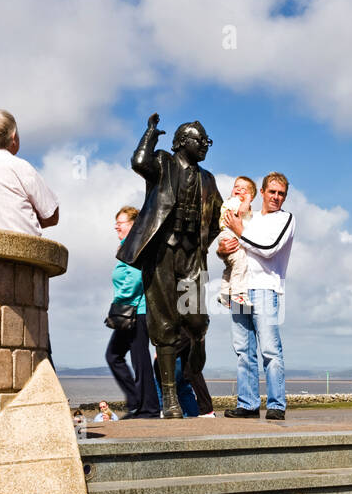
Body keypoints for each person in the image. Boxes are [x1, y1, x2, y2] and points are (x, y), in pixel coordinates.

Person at [117, 113, 222, 419]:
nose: (204, 145)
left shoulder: (207, 179)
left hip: (191, 255)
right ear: (180, 142)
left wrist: (201, 240)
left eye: (206, 141)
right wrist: (150, 134)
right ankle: (171, 400)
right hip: (162, 253)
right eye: (198, 140)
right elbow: (139, 162)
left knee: (197, 321)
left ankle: (193, 358)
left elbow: (216, 219)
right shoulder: (163, 163)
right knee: (164, 326)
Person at [221, 173, 295, 420]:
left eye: (281, 193)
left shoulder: (285, 219)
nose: (276, 197)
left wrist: (238, 229)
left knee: (270, 350)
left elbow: (268, 249)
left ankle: (276, 404)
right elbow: (234, 247)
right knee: (243, 349)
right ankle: (248, 403)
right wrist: (222, 250)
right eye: (272, 192)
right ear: (261, 193)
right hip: (239, 287)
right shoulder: (249, 217)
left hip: (264, 289)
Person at [107, 206, 160, 419]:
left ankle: (147, 407)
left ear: (133, 225)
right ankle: (137, 403)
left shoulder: (135, 246)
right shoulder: (126, 247)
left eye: (120, 223)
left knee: (136, 358)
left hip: (137, 310)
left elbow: (135, 278)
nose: (116, 227)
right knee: (116, 356)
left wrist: (119, 301)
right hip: (131, 310)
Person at [218, 177, 257, 308]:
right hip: (231, 236)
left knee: (231, 267)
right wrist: (246, 200)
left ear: (252, 196)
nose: (239, 190)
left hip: (229, 236)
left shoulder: (240, 205)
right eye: (236, 187)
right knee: (241, 263)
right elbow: (241, 211)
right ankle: (238, 294)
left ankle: (224, 295)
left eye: (243, 189)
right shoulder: (234, 202)